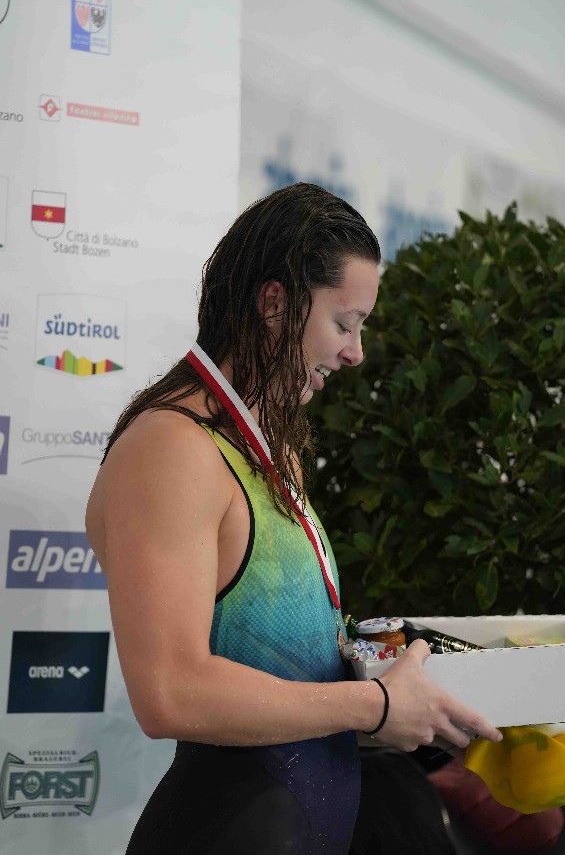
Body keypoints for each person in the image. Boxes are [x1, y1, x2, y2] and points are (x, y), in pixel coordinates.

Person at [85, 182, 502, 855]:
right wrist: (377, 707)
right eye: (345, 323)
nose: (356, 352)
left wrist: (407, 689)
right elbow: (169, 692)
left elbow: (282, 655)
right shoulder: (171, 448)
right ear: (275, 304)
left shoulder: (265, 445)